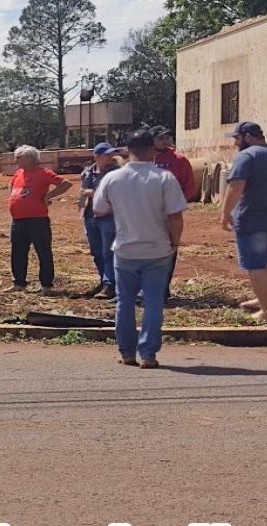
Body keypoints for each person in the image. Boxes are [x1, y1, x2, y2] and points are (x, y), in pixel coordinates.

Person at [93, 129, 187, 369]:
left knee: (124, 302)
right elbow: (175, 217)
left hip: (125, 249)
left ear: (127, 150)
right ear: (152, 151)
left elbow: (99, 209)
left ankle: (127, 352)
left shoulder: (113, 178)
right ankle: (148, 353)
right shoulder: (164, 178)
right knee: (153, 302)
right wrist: (174, 243)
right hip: (158, 250)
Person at [220, 122, 267, 323]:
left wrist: (225, 214)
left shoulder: (247, 156)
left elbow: (236, 187)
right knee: (265, 259)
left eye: (237, 138)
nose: (235, 142)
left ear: (248, 136)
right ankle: (263, 300)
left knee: (256, 264)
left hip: (252, 218)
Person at [4, 145, 73, 294]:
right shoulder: (18, 174)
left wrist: (48, 196)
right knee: (18, 252)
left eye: (19, 158)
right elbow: (12, 188)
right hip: (18, 220)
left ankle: (46, 285)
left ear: (30, 158)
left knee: (43, 252)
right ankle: (19, 283)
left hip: (37, 220)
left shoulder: (43, 173)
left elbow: (66, 183)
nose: (16, 161)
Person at [152, 126, 199, 301]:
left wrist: (174, 204)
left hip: (169, 215)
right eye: (160, 138)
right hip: (147, 214)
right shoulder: (145, 159)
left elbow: (190, 187)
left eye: (167, 137)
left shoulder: (179, 160)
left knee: (169, 249)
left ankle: (163, 290)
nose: (165, 141)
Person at [79, 143, 122, 300]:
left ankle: (110, 284)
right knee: (97, 252)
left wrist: (93, 193)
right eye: (107, 155)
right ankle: (104, 280)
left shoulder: (116, 172)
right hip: (89, 216)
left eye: (111, 154)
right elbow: (82, 192)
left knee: (108, 252)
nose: (111, 157)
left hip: (108, 216)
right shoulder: (88, 172)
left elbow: (115, 193)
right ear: (96, 156)